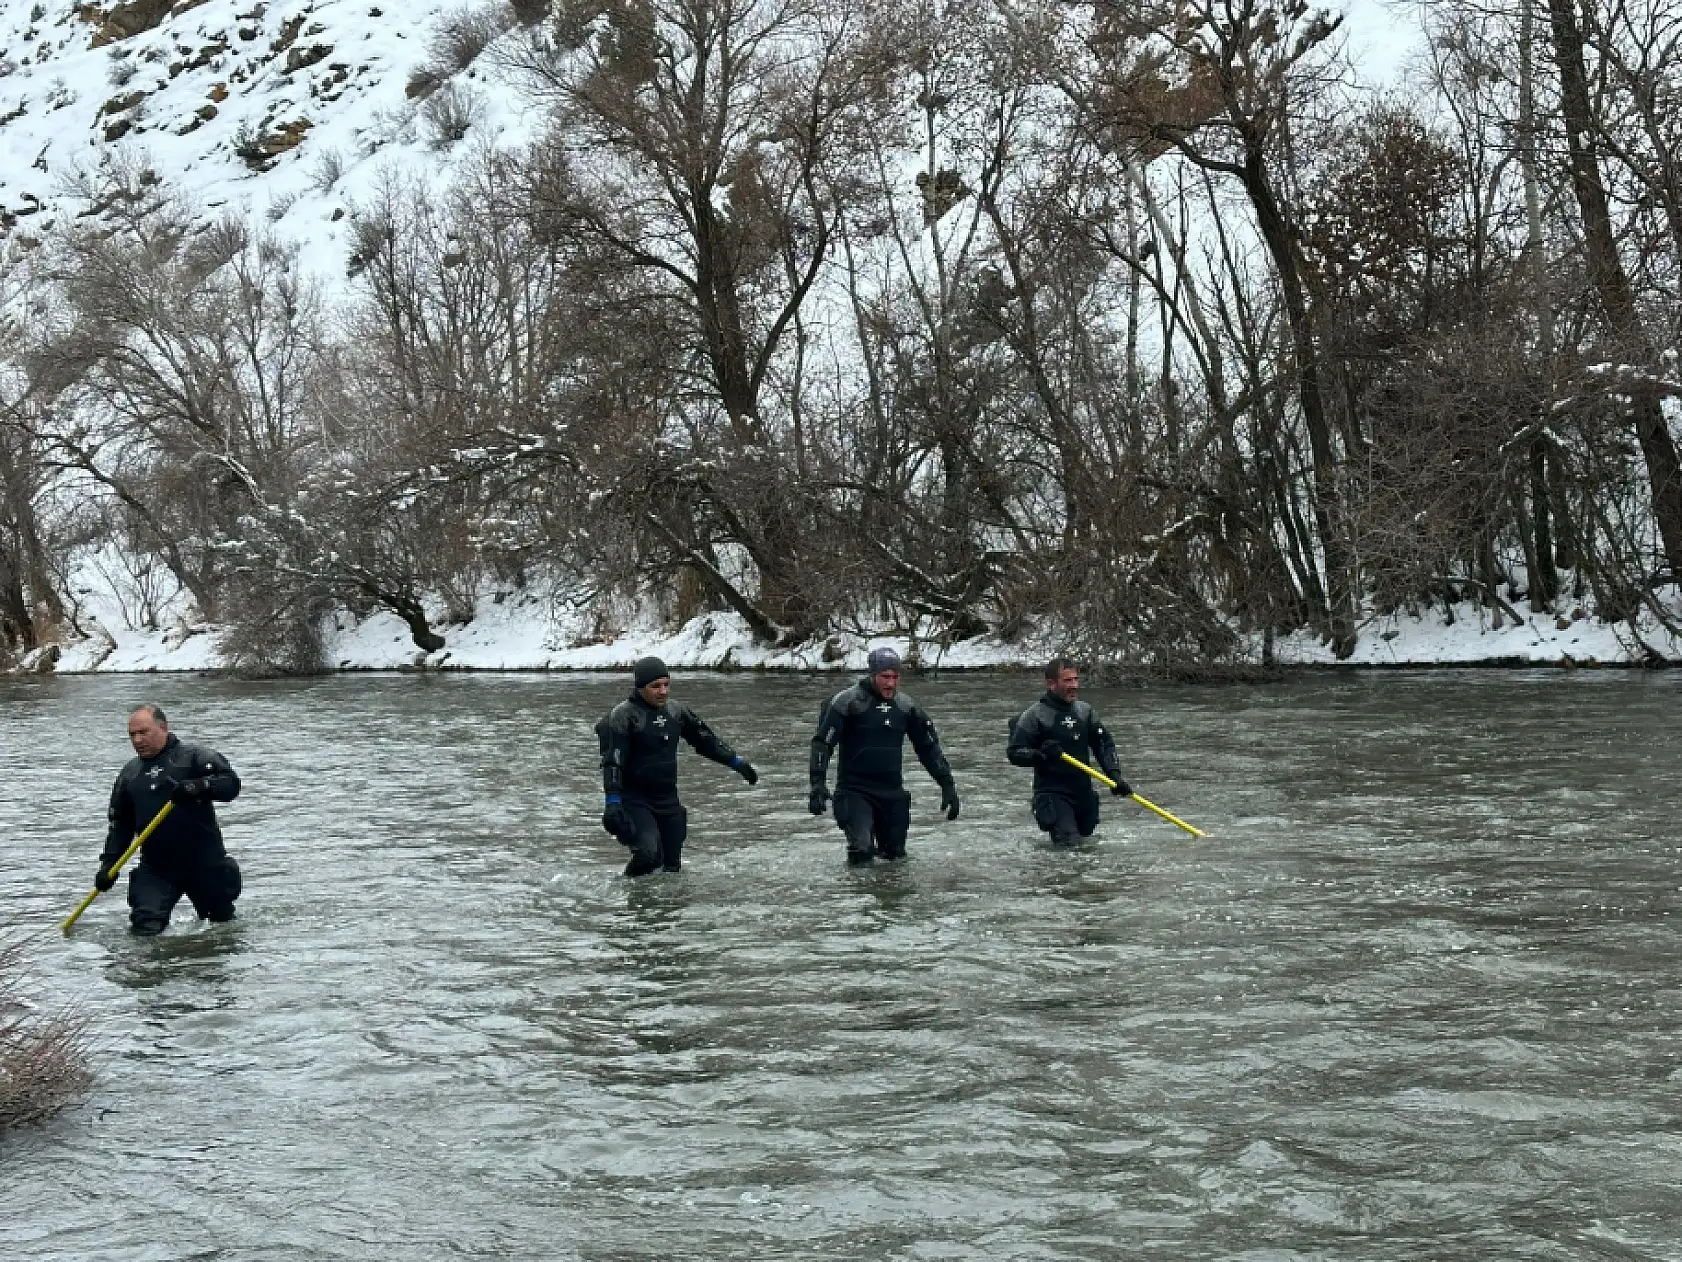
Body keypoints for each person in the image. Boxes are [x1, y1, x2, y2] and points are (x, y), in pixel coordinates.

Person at [595, 657, 758, 876]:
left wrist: (736, 762)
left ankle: (662, 900)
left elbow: (706, 741)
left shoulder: (676, 711)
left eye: (666, 684)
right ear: (640, 687)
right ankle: (624, 891)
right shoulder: (624, 716)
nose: (663, 691)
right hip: (634, 800)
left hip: (668, 800)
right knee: (648, 856)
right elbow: (613, 762)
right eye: (655, 686)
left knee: (671, 869)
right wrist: (612, 803)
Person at [95, 705, 243, 935]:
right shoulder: (129, 775)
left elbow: (231, 784)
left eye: (143, 732)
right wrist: (109, 865)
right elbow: (120, 826)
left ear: (163, 727)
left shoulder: (195, 757)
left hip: (205, 862)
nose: (137, 740)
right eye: (132, 735)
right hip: (156, 868)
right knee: (145, 928)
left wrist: (198, 786)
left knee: (221, 927)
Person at [808, 647, 960, 866]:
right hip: (854, 792)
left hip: (892, 793)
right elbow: (822, 744)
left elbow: (928, 748)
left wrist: (947, 784)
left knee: (895, 861)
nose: (891, 683)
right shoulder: (847, 703)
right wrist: (817, 784)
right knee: (861, 852)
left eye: (895, 677)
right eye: (885, 677)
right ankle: (855, 888)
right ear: (872, 675)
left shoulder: (906, 707)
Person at [1006, 657, 1130, 846]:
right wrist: (1041, 754)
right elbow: (1014, 753)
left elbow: (1104, 745)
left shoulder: (1085, 712)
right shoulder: (1034, 716)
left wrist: (1115, 776)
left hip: (1083, 794)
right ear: (1051, 684)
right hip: (1052, 794)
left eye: (1075, 679)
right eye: (1067, 681)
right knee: (1070, 845)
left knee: (1086, 846)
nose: (1074, 686)